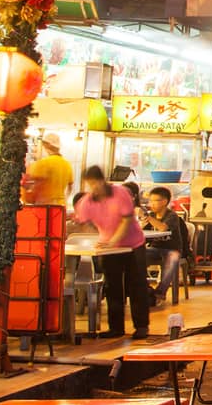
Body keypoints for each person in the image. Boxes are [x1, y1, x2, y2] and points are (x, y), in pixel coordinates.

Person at [75, 165, 150, 339]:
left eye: (96, 183)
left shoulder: (120, 193)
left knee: (137, 285)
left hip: (133, 244)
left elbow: (126, 221)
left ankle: (141, 326)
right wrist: (100, 240)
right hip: (109, 249)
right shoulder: (86, 202)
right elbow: (85, 224)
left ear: (103, 180)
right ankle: (116, 328)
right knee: (112, 287)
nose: (93, 187)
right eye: (90, 184)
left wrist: (112, 242)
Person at [142, 186, 191, 307]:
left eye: (155, 201)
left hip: (171, 249)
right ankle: (143, 289)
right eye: (150, 201)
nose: (151, 204)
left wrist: (148, 218)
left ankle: (160, 293)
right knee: (135, 254)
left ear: (164, 202)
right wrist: (141, 223)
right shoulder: (151, 215)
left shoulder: (172, 216)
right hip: (155, 248)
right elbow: (140, 232)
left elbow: (163, 227)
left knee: (172, 258)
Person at [22, 133, 72, 207]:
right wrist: (65, 199)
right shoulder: (67, 164)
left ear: (46, 146)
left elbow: (33, 185)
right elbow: (70, 187)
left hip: (45, 208)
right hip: (60, 207)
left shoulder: (44, 163)